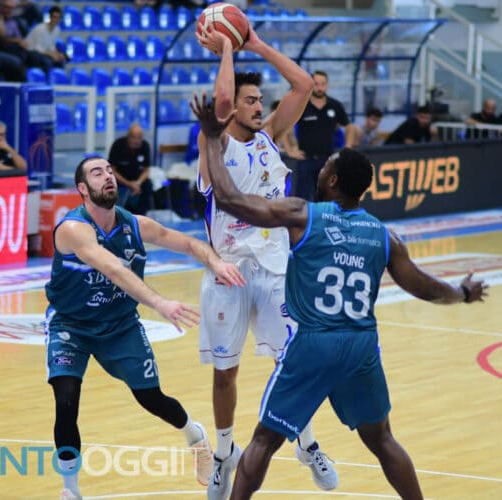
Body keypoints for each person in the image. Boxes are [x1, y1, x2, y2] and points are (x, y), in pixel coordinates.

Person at [192, 93, 489, 500]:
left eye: (327, 166)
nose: (322, 168)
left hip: (314, 343)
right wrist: (463, 293)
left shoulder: (304, 216)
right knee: (383, 440)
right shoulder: (384, 236)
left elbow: (229, 200)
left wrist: (211, 138)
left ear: (332, 181)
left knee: (263, 440)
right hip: (362, 347)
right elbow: (424, 287)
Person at [44, 155, 246, 499]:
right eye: (97, 173)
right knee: (65, 401)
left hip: (120, 325)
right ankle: (70, 490)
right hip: (71, 325)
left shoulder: (136, 226)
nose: (108, 176)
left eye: (110, 170)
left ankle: (195, 436)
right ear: (83, 189)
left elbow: (190, 243)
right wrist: (160, 303)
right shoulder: (73, 229)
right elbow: (113, 269)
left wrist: (216, 262)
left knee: (151, 398)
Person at [195, 20, 337, 499]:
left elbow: (303, 85)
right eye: (250, 101)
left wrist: (254, 43)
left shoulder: (271, 135)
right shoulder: (215, 145)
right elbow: (218, 105)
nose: (260, 107)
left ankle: (307, 443)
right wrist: (227, 49)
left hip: (277, 270)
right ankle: (224, 453)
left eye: (260, 100)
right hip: (227, 270)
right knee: (225, 373)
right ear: (234, 107)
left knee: (291, 362)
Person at [293, 70, 353, 201]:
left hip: (327, 161)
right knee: (301, 199)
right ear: (311, 85)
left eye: (323, 84)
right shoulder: (302, 105)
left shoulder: (335, 105)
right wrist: (291, 148)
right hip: (306, 160)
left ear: (327, 85)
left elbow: (349, 126)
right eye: (316, 84)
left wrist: (348, 146)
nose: (319, 88)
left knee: (326, 198)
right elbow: (286, 126)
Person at [108, 123, 153, 215]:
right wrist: (129, 184)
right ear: (128, 136)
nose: (136, 141)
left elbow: (146, 170)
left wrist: (138, 183)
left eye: (139, 138)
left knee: (148, 185)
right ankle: (118, 214)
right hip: (121, 180)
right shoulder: (118, 145)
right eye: (134, 137)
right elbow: (112, 170)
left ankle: (141, 215)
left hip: (138, 181)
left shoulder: (145, 146)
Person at [24, 5, 68, 75]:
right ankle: (44, 79)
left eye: (59, 18)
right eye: (54, 17)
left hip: (43, 52)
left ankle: (56, 79)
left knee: (60, 60)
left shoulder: (57, 29)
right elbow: (37, 48)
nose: (56, 20)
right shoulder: (40, 28)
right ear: (50, 17)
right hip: (31, 52)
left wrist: (57, 54)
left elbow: (51, 46)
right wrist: (51, 54)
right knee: (47, 62)